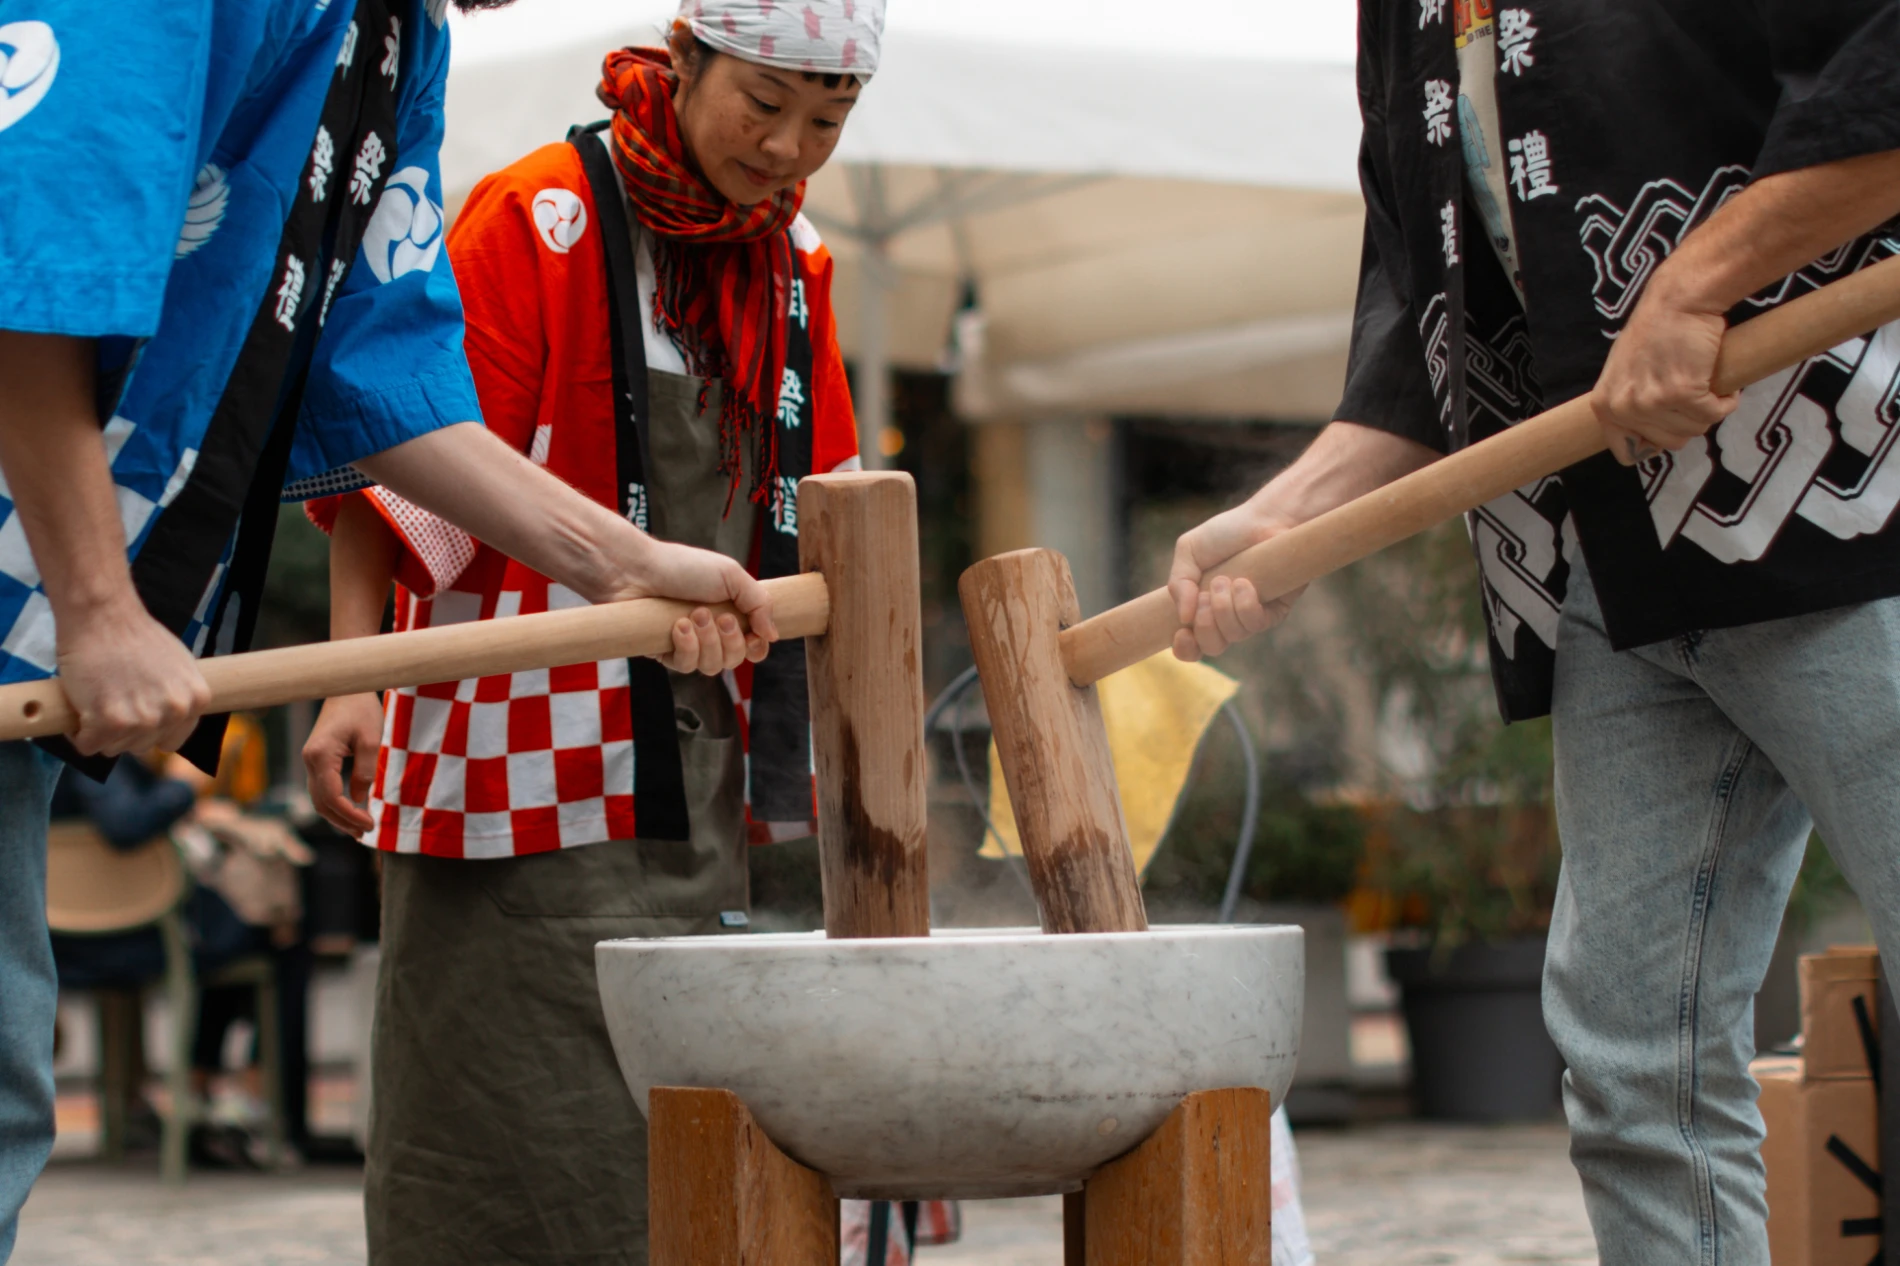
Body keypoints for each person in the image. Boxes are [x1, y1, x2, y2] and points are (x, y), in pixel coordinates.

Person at [0, 2, 770, 1256]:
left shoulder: (401, 37)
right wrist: (100, 604)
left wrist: (625, 567)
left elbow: (384, 374)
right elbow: (33, 242)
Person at [1168, 3, 1900, 1262]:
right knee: (1631, 1060)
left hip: (1843, 494)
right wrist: (1288, 518)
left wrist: (1699, 282)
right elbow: (1420, 305)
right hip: (1609, 559)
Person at [300, 2, 877, 1259]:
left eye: (825, 122)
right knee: (501, 1111)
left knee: (686, 1127)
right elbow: (399, 450)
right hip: (506, 738)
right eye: (762, 107)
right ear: (681, 64)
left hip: (703, 759)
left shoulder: (797, 262)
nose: (786, 150)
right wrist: (351, 680)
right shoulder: (539, 213)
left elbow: (830, 500)